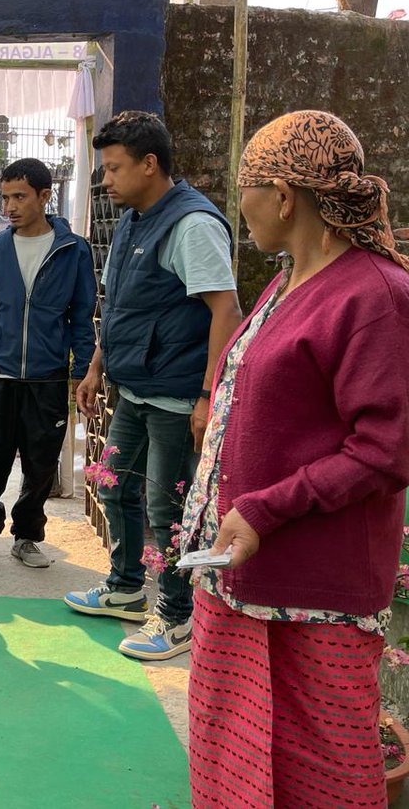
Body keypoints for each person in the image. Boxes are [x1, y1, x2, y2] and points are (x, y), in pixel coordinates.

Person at [180, 111, 409, 807]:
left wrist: (262, 510)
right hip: (245, 577)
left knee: (320, 772)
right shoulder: (286, 285)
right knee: (237, 759)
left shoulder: (377, 297)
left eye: (242, 187)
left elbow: (385, 450)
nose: (236, 204)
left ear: (282, 195)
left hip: (313, 592)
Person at [65, 110, 244, 661]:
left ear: (150, 164)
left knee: (166, 509)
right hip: (133, 390)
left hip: (174, 399)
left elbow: (227, 309)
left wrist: (209, 396)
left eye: (115, 168)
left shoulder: (192, 225)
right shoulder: (136, 219)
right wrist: (97, 365)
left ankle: (176, 615)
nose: (106, 179)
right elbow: (119, 306)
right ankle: (123, 589)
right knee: (113, 485)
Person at [0, 159, 96, 570]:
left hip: (49, 376)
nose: (10, 206)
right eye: (5, 198)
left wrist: (81, 371)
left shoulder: (73, 250)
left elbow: (82, 314)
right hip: (0, 375)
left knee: (41, 463)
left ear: (44, 195)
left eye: (19, 196)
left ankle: (27, 536)